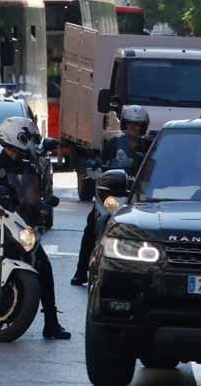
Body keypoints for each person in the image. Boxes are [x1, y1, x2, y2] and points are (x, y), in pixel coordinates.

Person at [0, 117, 70, 339]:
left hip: (17, 222)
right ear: (16, 137)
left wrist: (41, 204)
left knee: (43, 264)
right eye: (27, 138)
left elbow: (32, 195)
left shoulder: (28, 167)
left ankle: (51, 323)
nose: (30, 143)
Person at [71, 106, 151, 286]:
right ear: (124, 125)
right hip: (112, 194)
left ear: (143, 128)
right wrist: (95, 166)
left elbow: (157, 169)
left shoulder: (148, 148)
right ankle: (81, 271)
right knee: (91, 225)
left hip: (136, 197)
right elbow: (99, 161)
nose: (134, 130)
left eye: (138, 126)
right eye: (131, 125)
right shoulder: (112, 144)